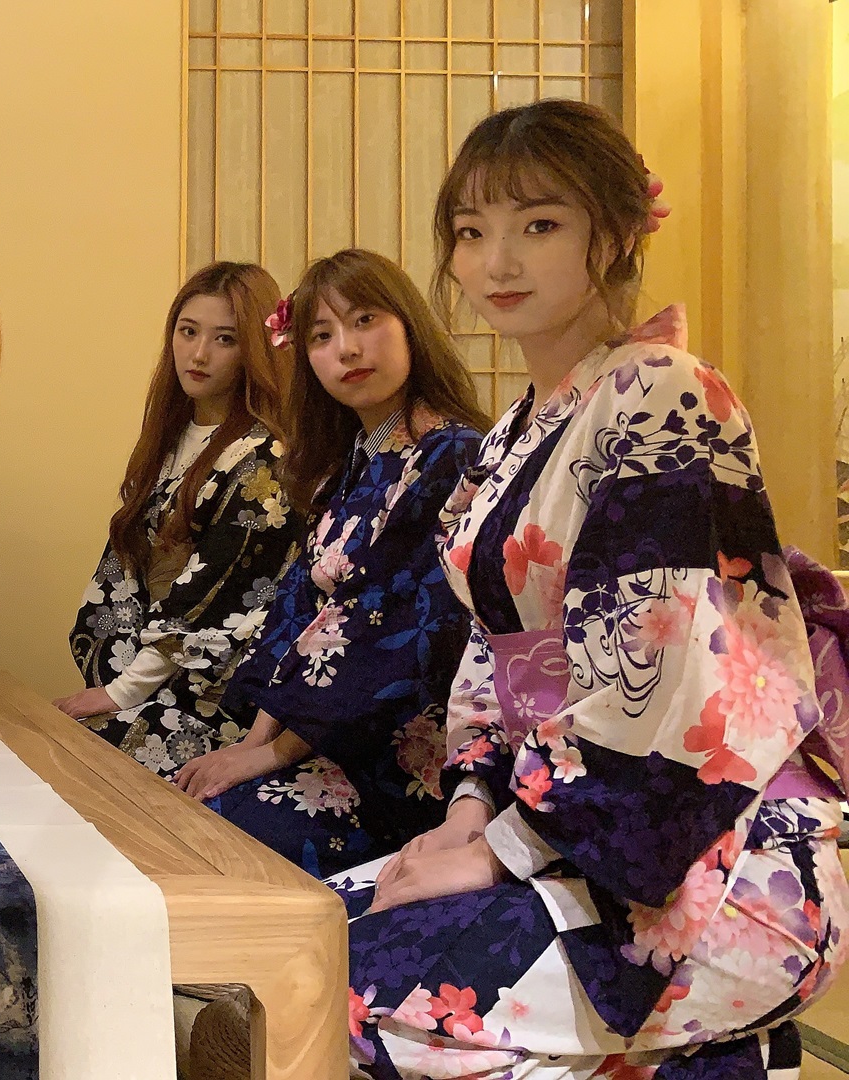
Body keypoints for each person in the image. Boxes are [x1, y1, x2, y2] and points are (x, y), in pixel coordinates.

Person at [336, 98, 849, 1078]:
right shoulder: (513, 432)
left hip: (710, 853)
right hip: (561, 828)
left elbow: (659, 673)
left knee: (356, 1002)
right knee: (302, 944)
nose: (498, 261)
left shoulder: (662, 391)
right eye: (471, 232)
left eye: (539, 224)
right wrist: (469, 807)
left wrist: (502, 848)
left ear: (613, 234)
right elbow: (490, 650)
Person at [170, 248, 487, 879]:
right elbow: (300, 609)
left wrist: (271, 756)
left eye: (365, 320)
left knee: (221, 836)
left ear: (409, 326)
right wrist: (251, 747)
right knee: (184, 807)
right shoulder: (353, 462)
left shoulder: (451, 456)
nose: (347, 349)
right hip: (327, 741)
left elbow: (394, 631)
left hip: (395, 758)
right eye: (321, 335)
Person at [57, 262, 302, 779]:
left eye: (225, 339)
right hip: (147, 671)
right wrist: (116, 678)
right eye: (188, 331)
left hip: (208, 695)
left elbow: (216, 599)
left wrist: (123, 691)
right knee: (49, 737)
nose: (199, 353)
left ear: (256, 350)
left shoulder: (262, 460)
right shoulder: (170, 438)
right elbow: (123, 569)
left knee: (78, 765)